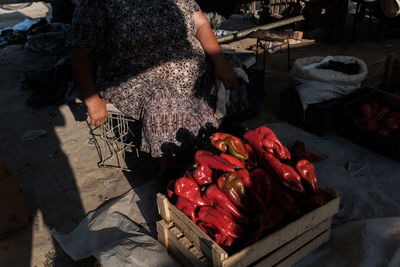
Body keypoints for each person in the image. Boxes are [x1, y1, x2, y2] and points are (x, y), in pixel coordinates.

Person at [69, 0, 249, 176]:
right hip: (132, 75)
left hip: (191, 69)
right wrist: (92, 100)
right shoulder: (96, 4)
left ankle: (222, 138)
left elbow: (200, 24)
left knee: (232, 66)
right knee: (163, 99)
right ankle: (171, 169)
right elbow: (79, 55)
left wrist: (220, 63)